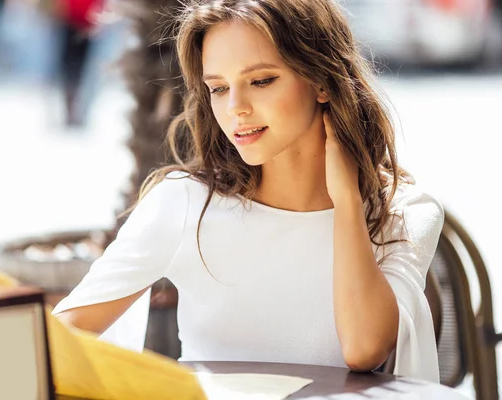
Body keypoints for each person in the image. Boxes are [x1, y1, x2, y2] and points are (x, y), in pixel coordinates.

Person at [52, 0, 443, 383]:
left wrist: (346, 203)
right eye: (219, 88)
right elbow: (59, 341)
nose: (236, 108)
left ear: (321, 81)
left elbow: (363, 348)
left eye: (261, 81)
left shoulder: (405, 212)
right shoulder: (184, 204)